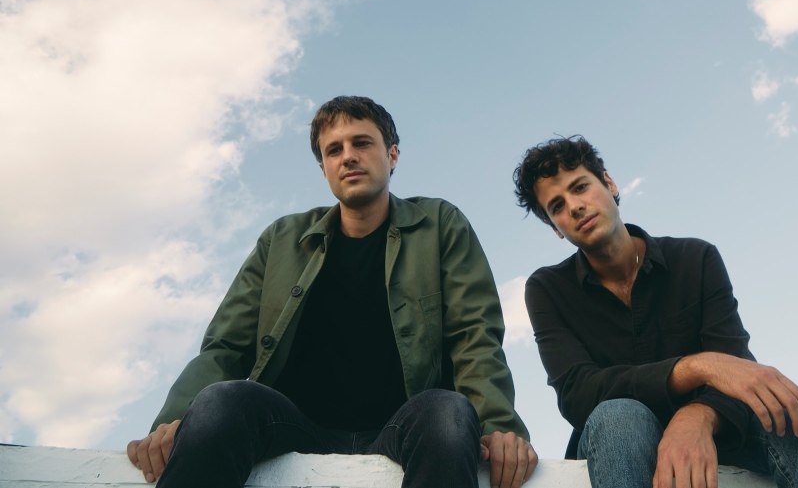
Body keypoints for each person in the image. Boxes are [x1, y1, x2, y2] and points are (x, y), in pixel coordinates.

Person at [127, 96, 537, 488]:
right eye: (334, 150)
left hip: (405, 425)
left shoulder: (440, 224)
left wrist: (498, 425)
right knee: (221, 401)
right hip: (293, 427)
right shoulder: (282, 239)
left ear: (392, 155)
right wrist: (176, 418)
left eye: (362, 143)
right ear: (323, 168)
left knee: (448, 412)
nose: (348, 157)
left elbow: (474, 334)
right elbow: (226, 344)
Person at [513, 136, 798, 488]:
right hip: (617, 447)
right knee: (620, 416)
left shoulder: (696, 258)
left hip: (720, 433)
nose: (574, 207)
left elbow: (735, 365)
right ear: (555, 228)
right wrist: (697, 367)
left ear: (609, 183)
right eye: (557, 206)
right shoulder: (547, 289)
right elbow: (579, 394)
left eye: (580, 187)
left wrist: (698, 416)